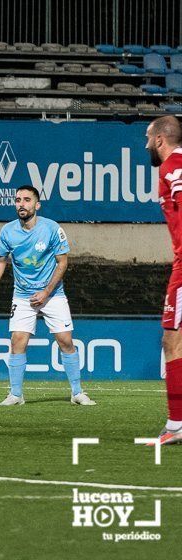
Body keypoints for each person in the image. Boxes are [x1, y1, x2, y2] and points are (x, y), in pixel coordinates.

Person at [0, 185, 95, 407]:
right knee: (17, 341)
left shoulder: (52, 229)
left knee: (65, 341)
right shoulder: (8, 231)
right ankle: (16, 394)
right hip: (22, 295)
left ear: (37, 205)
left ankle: (77, 392)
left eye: (26, 200)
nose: (21, 204)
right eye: (18, 200)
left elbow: (63, 262)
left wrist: (46, 292)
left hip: (53, 294)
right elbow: (1, 260)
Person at [146, 115, 182, 444]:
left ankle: (175, 425)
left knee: (172, 341)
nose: (146, 145)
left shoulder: (171, 168)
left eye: (148, 138)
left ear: (160, 139)